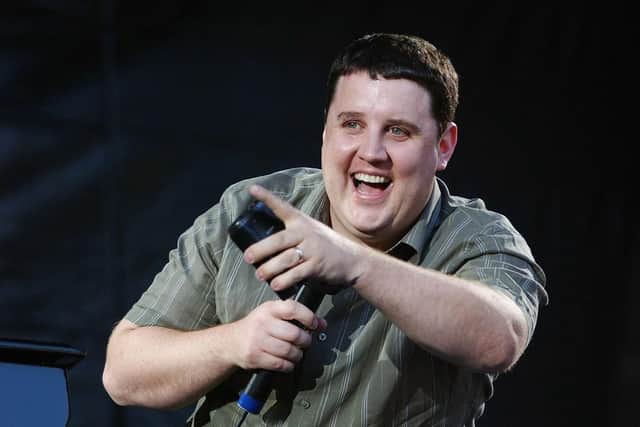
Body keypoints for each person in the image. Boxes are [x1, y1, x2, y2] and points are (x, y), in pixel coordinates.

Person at [102, 33, 548, 426]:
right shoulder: (254, 206)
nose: (371, 152)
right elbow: (124, 374)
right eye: (352, 124)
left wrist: (354, 262)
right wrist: (232, 343)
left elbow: (498, 339)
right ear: (325, 132)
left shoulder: (478, 238)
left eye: (398, 131)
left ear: (443, 146)